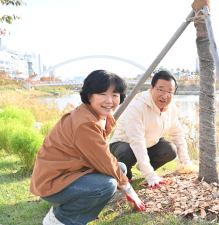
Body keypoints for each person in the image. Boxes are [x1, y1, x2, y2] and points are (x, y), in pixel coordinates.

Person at [30, 70, 145, 225]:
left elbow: (102, 157)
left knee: (121, 169)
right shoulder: (85, 123)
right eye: (102, 94)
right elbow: (104, 159)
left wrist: (123, 182)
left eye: (115, 95)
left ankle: (80, 213)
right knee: (107, 185)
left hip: (71, 172)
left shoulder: (98, 116)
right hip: (53, 181)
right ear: (89, 95)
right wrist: (128, 189)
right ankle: (58, 219)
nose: (109, 100)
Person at [110, 70, 192, 189]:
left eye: (170, 92)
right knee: (128, 154)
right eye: (160, 90)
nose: (165, 96)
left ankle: (146, 168)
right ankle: (126, 174)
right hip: (123, 142)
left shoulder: (171, 108)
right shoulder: (137, 106)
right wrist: (150, 176)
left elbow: (178, 134)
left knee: (170, 150)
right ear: (151, 88)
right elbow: (137, 141)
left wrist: (186, 162)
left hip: (150, 143)